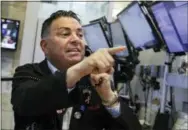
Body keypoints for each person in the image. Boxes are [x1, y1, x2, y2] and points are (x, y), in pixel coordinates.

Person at [11, 10, 142, 130]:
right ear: (45, 46)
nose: (76, 40)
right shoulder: (28, 73)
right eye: (65, 34)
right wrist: (79, 70)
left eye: (80, 35)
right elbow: (25, 102)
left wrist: (109, 98)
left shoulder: (94, 81)